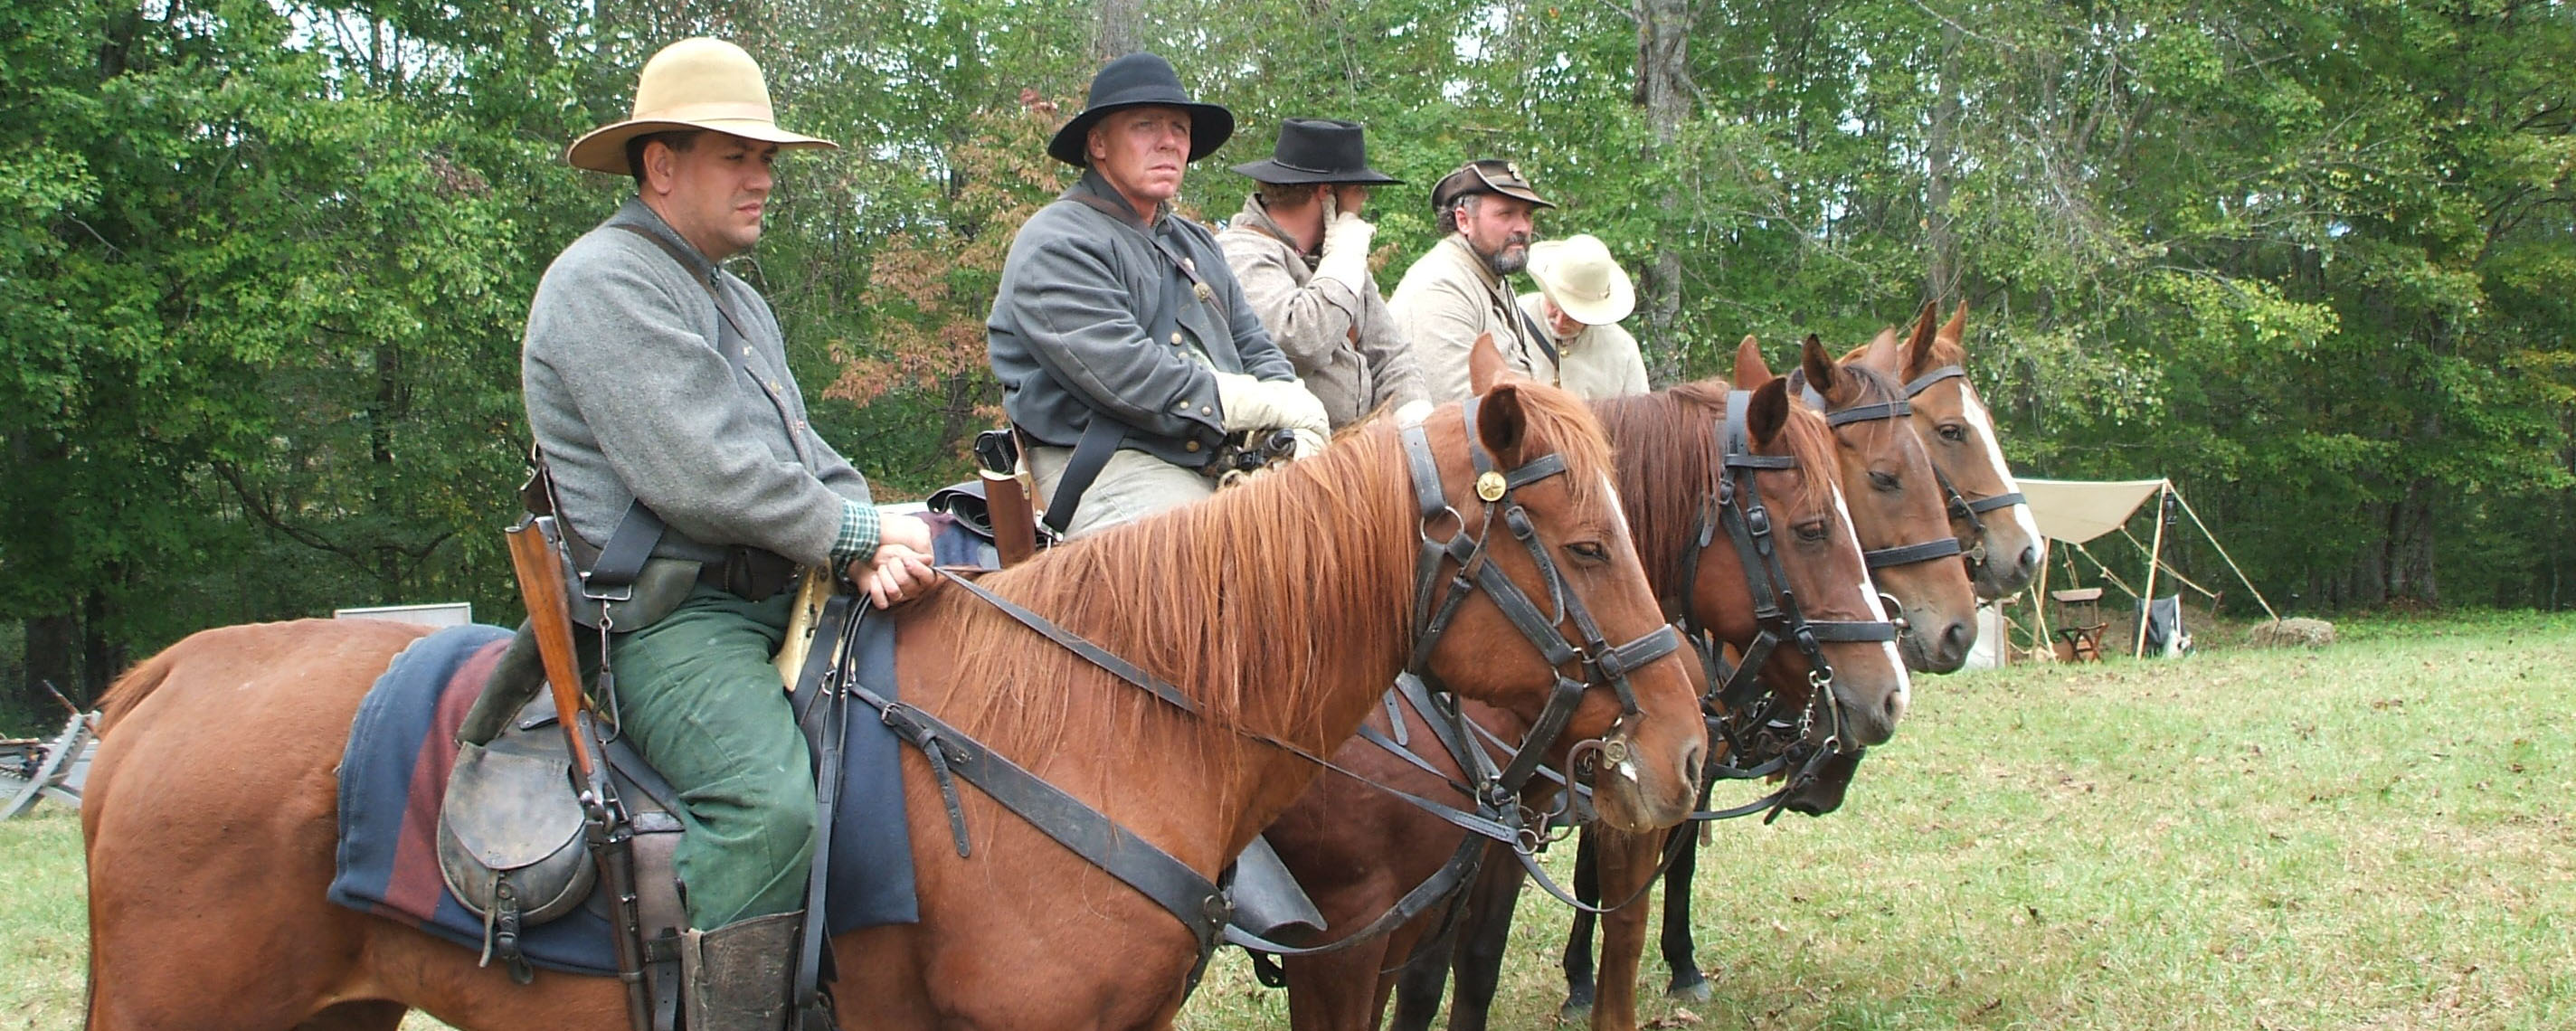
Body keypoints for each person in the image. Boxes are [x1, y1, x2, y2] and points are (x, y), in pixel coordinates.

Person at [523, 37, 933, 1028]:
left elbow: (799, 452)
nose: (762, 180)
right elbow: (704, 475)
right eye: (736, 157)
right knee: (766, 808)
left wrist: (887, 529)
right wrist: (850, 532)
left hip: (776, 597)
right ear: (660, 166)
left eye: (767, 161)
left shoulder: (731, 297)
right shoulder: (603, 282)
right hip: (672, 624)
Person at [987, 52, 1328, 538]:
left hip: (1210, 455)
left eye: (1180, 128)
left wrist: (1295, 411)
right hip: (1111, 464)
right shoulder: (1056, 241)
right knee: (1212, 564)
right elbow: (1130, 375)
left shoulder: (1195, 242)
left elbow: (1253, 343)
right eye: (1146, 125)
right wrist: (1266, 405)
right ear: (1099, 143)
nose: (1169, 141)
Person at [1215, 118, 1429, 429]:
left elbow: (1392, 356)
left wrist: (1413, 425)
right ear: (1327, 193)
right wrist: (1344, 257)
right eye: (1357, 189)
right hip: (1287, 461)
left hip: (1363, 457)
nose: (1363, 200)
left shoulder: (1341, 255)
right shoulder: (1240, 252)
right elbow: (1299, 343)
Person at [1387, 158, 1559, 402]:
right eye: (1506, 214)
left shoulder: (1489, 273)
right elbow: (1453, 413)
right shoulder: (1440, 287)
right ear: (1464, 220)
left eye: (1527, 214)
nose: (1522, 227)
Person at [1517, 233, 1650, 399]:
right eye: (1554, 305)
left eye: (1573, 315)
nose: (1559, 321)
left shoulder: (1623, 350)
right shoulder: (1509, 320)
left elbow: (1638, 420)